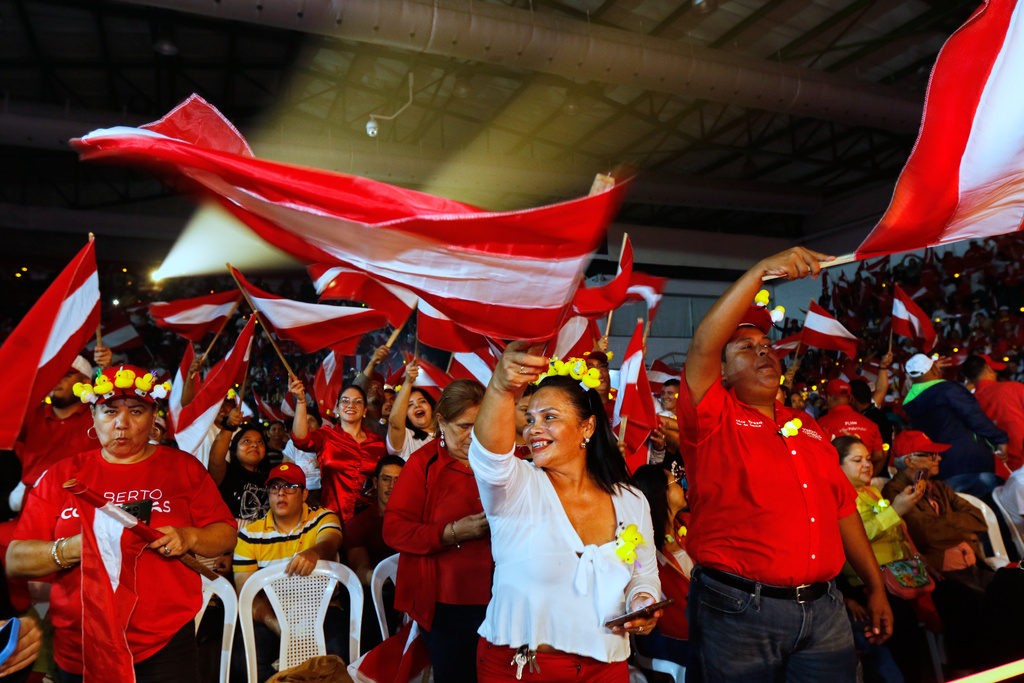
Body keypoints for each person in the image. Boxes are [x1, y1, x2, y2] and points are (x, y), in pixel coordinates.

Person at [679, 247, 892, 682]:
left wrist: (875, 587)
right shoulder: (712, 416)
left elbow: (843, 509)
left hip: (823, 609)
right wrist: (759, 272)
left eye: (766, 345)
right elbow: (703, 342)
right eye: (745, 348)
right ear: (721, 371)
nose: (763, 353)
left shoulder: (808, 425)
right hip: (741, 611)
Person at [6, 364, 236, 683]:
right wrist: (77, 547)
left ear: (153, 414)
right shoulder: (63, 475)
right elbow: (15, 560)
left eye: (136, 411)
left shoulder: (182, 468)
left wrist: (189, 537)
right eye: (109, 411)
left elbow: (225, 534)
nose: (122, 424)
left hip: (163, 646)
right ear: (93, 417)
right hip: (81, 645)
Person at [471, 350, 662, 682]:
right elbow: (489, 458)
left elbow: (644, 571)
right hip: (521, 668)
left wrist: (642, 601)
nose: (533, 430)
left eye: (549, 417)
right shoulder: (516, 487)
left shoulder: (632, 500)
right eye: (529, 419)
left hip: (607, 670)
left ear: (587, 426)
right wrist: (501, 385)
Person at [383, 379, 493, 683]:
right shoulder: (423, 464)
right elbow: (393, 530)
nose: (474, 436)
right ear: (441, 423)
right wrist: (451, 533)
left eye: (480, 425)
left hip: (503, 597)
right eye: (464, 426)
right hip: (446, 604)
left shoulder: (500, 460)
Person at [881, 431, 996, 672]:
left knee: (1010, 589)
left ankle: (1001, 663)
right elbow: (926, 535)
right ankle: (970, 670)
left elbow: (978, 519)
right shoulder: (895, 493)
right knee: (967, 605)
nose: (939, 459)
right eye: (931, 454)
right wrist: (960, 528)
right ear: (910, 461)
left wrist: (944, 523)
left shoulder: (939, 488)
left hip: (973, 566)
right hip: (938, 574)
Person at [231, 463, 344, 683]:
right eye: (274, 488)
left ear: (304, 494)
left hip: (324, 612)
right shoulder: (249, 535)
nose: (281, 493)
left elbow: (331, 541)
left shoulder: (322, 518)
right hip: (273, 615)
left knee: (337, 654)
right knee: (243, 660)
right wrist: (278, 625)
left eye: (290, 487)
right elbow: (245, 594)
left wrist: (315, 552)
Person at [833, 435, 927, 683]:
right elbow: (855, 539)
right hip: (870, 582)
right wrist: (896, 510)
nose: (867, 464)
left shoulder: (872, 491)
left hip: (902, 575)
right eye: (856, 460)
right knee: (901, 628)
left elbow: (897, 533)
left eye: (867, 458)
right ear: (837, 466)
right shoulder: (836, 497)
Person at [902, 353, 1006, 498]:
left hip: (940, 467)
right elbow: (974, 416)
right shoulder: (948, 390)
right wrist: (1000, 438)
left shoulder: (910, 401)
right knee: (988, 513)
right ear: (933, 370)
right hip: (970, 462)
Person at [290, 381, 387, 522]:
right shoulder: (326, 436)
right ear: (337, 408)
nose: (351, 405)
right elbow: (300, 440)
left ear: (365, 410)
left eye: (357, 401)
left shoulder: (379, 443)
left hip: (369, 520)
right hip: (332, 520)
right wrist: (300, 401)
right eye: (345, 401)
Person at [630, 464, 692, 669]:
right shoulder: (644, 551)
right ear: (659, 493)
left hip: (708, 631)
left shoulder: (690, 524)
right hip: (674, 640)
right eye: (674, 482)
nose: (682, 485)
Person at [345, 454, 404, 586]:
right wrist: (384, 578)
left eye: (398, 480)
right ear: (376, 483)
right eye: (386, 479)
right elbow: (360, 571)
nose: (391, 486)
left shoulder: (419, 517)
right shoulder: (358, 524)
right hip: (378, 591)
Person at [964, 353, 1024, 471]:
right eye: (993, 369)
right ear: (988, 369)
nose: (996, 373)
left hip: (994, 471)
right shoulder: (1015, 388)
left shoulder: (968, 402)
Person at [817, 379, 886, 477]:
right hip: (864, 485)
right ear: (850, 398)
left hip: (836, 485)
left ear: (828, 398)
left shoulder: (820, 424)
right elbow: (879, 455)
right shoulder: (870, 423)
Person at [210, 419, 272, 523]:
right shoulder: (226, 473)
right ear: (235, 450)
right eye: (247, 441)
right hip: (232, 535)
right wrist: (230, 426)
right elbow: (215, 459)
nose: (254, 445)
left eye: (260, 442)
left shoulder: (271, 477)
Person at [386, 359, 436, 459]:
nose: (417, 406)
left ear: (432, 407)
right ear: (405, 415)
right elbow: (395, 424)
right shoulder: (406, 438)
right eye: (410, 405)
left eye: (422, 401)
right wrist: (408, 382)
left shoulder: (448, 434)